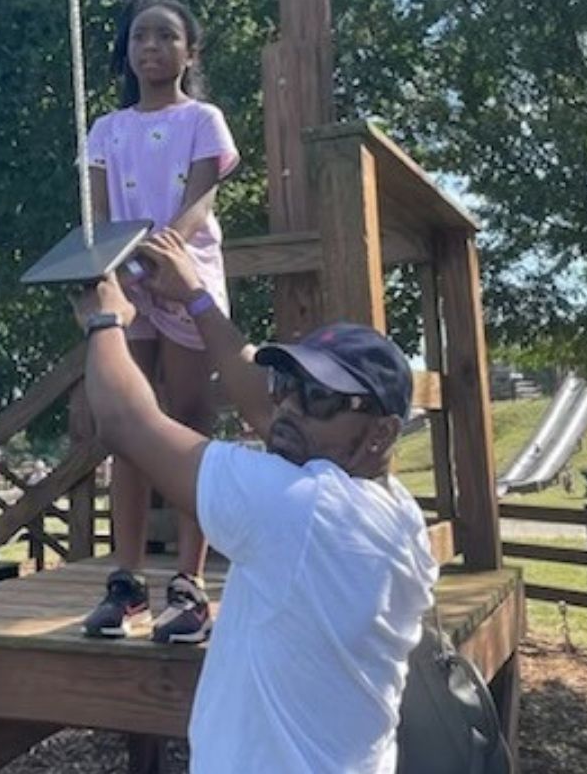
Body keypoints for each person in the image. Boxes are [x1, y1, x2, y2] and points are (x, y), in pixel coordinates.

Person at [73, 230, 438, 773]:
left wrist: (105, 322)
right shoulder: (394, 511)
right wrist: (196, 297)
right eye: (285, 383)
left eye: (317, 396)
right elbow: (268, 408)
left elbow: (126, 424)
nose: (289, 406)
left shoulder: (305, 511)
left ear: (381, 432)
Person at [82, 0, 240, 644]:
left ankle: (190, 582)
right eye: (140, 38)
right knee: (127, 430)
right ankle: (126, 580)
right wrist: (109, 269)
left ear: (189, 51)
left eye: (166, 37)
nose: (152, 48)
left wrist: (162, 255)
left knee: (189, 421)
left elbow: (199, 200)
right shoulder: (106, 129)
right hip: (126, 282)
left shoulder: (202, 118)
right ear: (125, 50)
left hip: (183, 273)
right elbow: (97, 211)